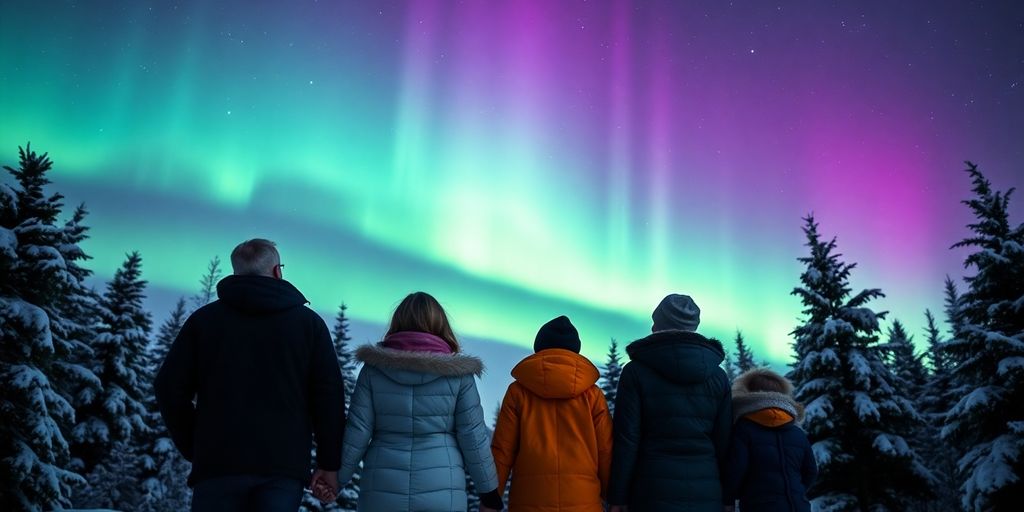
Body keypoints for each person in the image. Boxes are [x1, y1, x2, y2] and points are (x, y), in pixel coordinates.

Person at [155, 238, 345, 511]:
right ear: (278, 271)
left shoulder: (204, 321)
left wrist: (195, 445)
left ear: (236, 272)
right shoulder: (309, 325)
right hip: (283, 469)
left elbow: (168, 387)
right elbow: (328, 398)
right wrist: (329, 463)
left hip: (218, 465)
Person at [335, 291, 503, 511]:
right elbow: (473, 437)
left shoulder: (373, 370)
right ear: (441, 325)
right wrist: (489, 494)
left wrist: (336, 479)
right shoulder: (459, 375)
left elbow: (358, 430)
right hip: (443, 492)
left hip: (382, 491)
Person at [608, 293, 732, 512]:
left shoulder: (635, 372)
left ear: (658, 324)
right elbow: (725, 442)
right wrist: (728, 499)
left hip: (650, 492)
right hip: (706, 492)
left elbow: (626, 440)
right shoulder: (718, 376)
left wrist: (617, 497)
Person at [489, 315, 613, 511]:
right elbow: (606, 451)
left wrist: (491, 498)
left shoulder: (517, 392)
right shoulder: (593, 395)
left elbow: (502, 450)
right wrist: (612, 496)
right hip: (583, 502)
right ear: (575, 350)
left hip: (529, 502)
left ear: (539, 346)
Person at [723, 368, 817, 512]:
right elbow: (810, 471)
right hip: (798, 506)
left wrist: (728, 500)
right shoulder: (797, 432)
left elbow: (735, 469)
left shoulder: (744, 429)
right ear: (783, 394)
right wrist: (794, 492)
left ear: (747, 393)